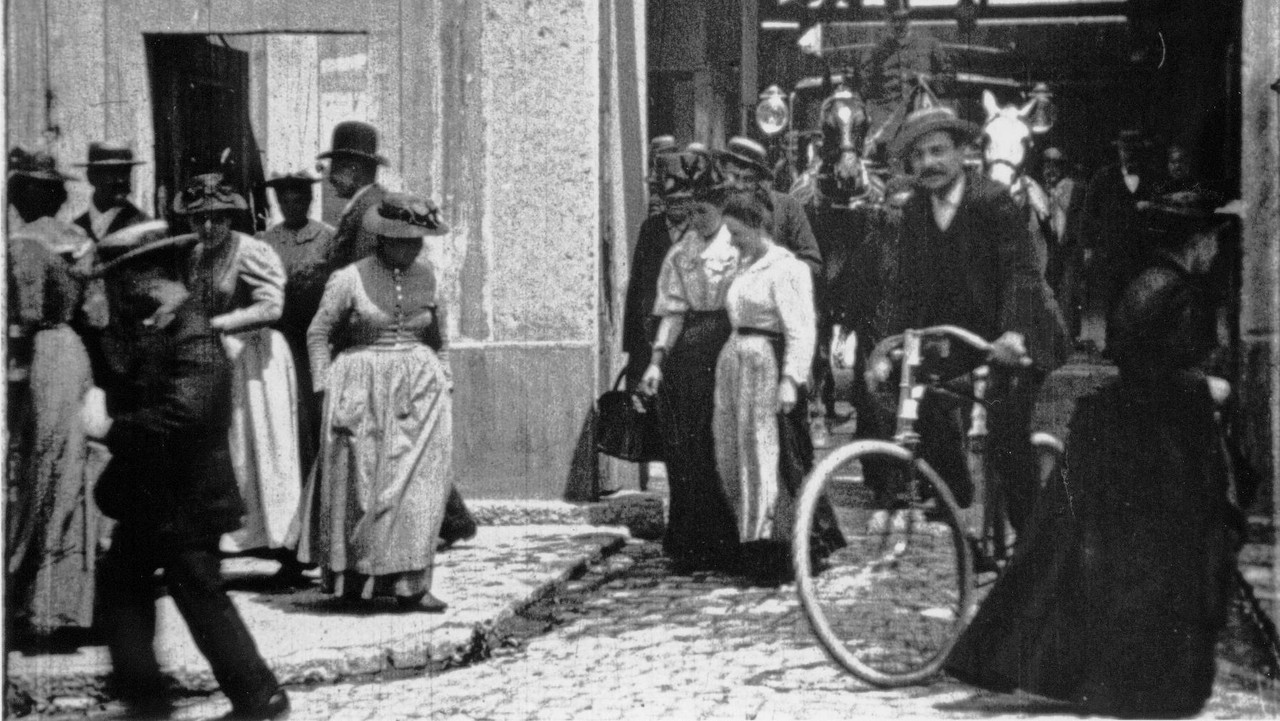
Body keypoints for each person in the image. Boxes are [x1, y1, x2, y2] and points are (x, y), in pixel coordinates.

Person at [945, 189, 1240, 719]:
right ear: (1196, 242)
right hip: (1154, 439)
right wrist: (1205, 389)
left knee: (1086, 555)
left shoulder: (1153, 283)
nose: (1216, 251)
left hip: (1131, 429)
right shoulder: (1170, 290)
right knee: (1148, 560)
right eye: (1213, 240)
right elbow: (1148, 367)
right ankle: (1140, 685)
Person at [83, 231, 289, 721]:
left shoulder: (192, 331)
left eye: (121, 279)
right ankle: (149, 700)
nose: (119, 292)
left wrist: (112, 428)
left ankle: (259, 697)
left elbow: (186, 416)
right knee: (124, 585)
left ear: (146, 276)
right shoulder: (161, 325)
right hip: (157, 496)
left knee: (197, 593)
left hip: (189, 498)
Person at [875, 106, 1068, 537]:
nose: (929, 163)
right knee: (909, 389)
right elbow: (904, 286)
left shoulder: (992, 201)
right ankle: (955, 491)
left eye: (939, 151)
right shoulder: (915, 212)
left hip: (1020, 331)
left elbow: (1022, 271)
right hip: (964, 336)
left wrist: (1013, 333)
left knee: (1004, 439)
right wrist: (887, 345)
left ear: (963, 152)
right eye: (919, 155)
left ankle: (1032, 547)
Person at [299, 192, 455, 610]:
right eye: (402, 240)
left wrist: (444, 375)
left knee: (419, 489)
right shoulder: (350, 278)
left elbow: (438, 337)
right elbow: (318, 334)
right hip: (361, 389)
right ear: (383, 239)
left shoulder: (430, 277)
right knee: (363, 489)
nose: (411, 248)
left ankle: (413, 584)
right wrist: (324, 387)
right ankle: (355, 582)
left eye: (418, 240)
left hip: (420, 394)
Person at [711, 191, 846, 582]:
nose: (732, 243)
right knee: (732, 455)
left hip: (766, 365)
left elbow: (802, 329)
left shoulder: (787, 268)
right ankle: (749, 539)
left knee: (766, 457)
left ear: (758, 227)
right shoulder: (743, 265)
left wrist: (791, 380)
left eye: (737, 234)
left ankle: (776, 549)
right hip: (736, 364)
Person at [178, 173, 305, 583]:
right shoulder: (197, 256)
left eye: (217, 218)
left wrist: (222, 323)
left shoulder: (253, 251)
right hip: (219, 359)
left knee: (266, 447)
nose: (209, 227)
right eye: (200, 219)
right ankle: (232, 540)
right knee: (230, 450)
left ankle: (286, 546)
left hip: (258, 359)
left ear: (231, 217)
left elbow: (272, 305)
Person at [5, 147, 108, 639]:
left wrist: (16, 383)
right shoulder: (80, 239)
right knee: (72, 466)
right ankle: (69, 604)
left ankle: (32, 602)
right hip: (74, 353)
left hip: (37, 358)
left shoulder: (21, 243)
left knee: (36, 467)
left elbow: (23, 318)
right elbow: (98, 314)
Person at [638, 145, 743, 572]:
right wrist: (656, 361)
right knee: (687, 448)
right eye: (690, 212)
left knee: (726, 444)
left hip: (729, 343)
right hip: (689, 356)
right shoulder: (681, 251)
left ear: (720, 206)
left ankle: (734, 538)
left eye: (702, 212)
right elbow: (672, 310)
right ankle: (693, 539)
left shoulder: (739, 246)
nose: (694, 221)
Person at [717, 137, 831, 446]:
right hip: (732, 333)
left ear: (760, 180)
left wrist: (773, 276)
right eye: (732, 176)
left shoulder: (787, 207)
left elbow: (812, 259)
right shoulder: (718, 211)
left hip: (778, 330)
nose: (738, 185)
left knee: (786, 433)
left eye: (747, 179)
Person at [259, 170, 336, 476]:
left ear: (309, 199)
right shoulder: (265, 241)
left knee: (316, 412)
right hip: (278, 343)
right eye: (284, 199)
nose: (292, 204)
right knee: (281, 414)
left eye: (299, 197)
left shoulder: (328, 238)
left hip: (314, 341)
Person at [1080, 128, 1156, 336]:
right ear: (1119, 151)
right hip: (1111, 249)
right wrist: (1088, 247)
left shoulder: (1151, 178)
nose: (1129, 154)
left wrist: (1150, 206)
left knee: (1141, 296)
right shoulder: (1104, 177)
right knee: (1113, 295)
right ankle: (1114, 343)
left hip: (1141, 250)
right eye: (1125, 149)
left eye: (1133, 150)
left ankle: (1136, 343)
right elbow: (1089, 214)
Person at [860, 4, 954, 165]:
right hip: (888, 128)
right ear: (887, 21)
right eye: (894, 20)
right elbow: (866, 90)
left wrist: (929, 80)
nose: (899, 24)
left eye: (903, 19)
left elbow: (950, 76)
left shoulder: (929, 44)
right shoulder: (876, 52)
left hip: (924, 120)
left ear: (910, 19)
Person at [319, 120, 389, 273]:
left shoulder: (371, 208)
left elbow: (364, 273)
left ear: (354, 169)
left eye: (335, 168)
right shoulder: (369, 202)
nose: (330, 177)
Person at [1039, 147, 1085, 340]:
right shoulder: (1043, 190)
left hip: (1071, 246)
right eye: (1047, 166)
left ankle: (1068, 335)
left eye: (1055, 166)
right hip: (1051, 246)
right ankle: (1052, 332)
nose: (1050, 171)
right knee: (1051, 288)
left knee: (1069, 290)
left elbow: (1080, 217)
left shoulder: (1075, 187)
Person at [72, 141, 150, 244]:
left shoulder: (144, 229)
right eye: (112, 172)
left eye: (125, 172)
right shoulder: (75, 228)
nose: (121, 180)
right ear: (91, 176)